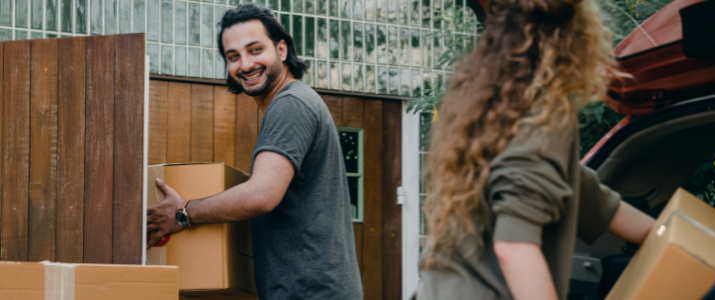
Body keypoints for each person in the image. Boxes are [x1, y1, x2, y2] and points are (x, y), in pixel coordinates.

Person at [414, 0, 655, 299]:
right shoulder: (543, 118)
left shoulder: (492, 109)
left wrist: (677, 239)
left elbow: (585, 194)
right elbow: (515, 247)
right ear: (575, 35)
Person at [145, 4, 363, 300]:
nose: (245, 65)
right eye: (233, 56)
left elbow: (261, 195)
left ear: (281, 50)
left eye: (255, 49)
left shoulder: (290, 105)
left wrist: (183, 214)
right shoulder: (293, 102)